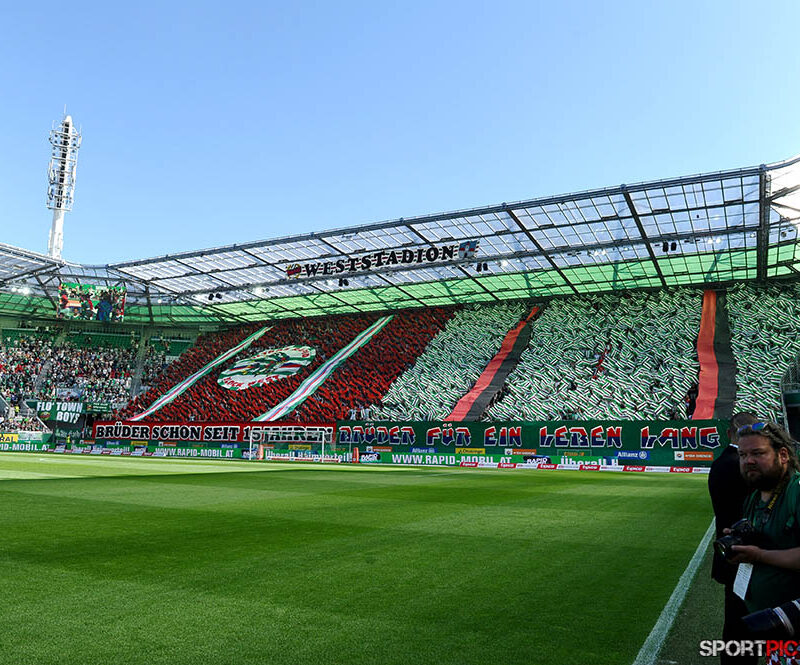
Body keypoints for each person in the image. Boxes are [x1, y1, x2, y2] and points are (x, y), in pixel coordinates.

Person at [729, 421, 800, 620]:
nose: (748, 461)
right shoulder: (753, 497)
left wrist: (760, 556)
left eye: (758, 453)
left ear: (783, 455)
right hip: (767, 620)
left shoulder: (796, 491)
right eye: (742, 455)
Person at [708, 412, 759, 664]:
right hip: (739, 555)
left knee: (738, 621)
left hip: (732, 553)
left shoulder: (724, 462)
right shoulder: (736, 464)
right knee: (741, 623)